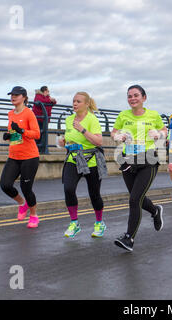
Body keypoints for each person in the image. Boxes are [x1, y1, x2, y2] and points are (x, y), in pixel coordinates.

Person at [111, 85, 167, 252]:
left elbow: (164, 130)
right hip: (127, 160)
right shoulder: (123, 115)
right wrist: (117, 136)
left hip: (148, 160)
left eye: (136, 95)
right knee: (137, 198)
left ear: (144, 97)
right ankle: (155, 211)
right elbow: (113, 132)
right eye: (129, 96)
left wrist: (159, 135)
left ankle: (129, 238)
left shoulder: (153, 115)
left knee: (134, 199)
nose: (132, 98)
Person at [57, 92, 108, 238]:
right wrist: (63, 142)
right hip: (74, 158)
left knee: (94, 194)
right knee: (68, 188)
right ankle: (74, 223)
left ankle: (99, 223)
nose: (74, 103)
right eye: (73, 101)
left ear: (86, 104)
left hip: (91, 160)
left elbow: (99, 142)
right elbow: (69, 139)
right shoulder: (68, 120)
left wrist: (82, 129)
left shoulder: (92, 120)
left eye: (78, 101)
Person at [0, 86, 41, 228]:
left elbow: (36, 134)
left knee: (26, 188)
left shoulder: (29, 113)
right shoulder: (10, 113)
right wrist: (8, 136)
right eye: (11, 94)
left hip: (29, 157)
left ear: (24, 97)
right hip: (14, 156)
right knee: (5, 185)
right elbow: (14, 134)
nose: (13, 97)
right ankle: (22, 203)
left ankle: (34, 215)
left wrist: (22, 130)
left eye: (16, 95)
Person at [32, 86, 57, 152]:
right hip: (38, 118)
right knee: (38, 134)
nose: (48, 92)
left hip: (45, 119)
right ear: (44, 91)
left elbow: (54, 102)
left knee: (43, 134)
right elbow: (41, 101)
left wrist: (53, 101)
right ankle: (35, 149)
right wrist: (50, 100)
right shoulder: (38, 96)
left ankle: (41, 149)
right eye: (47, 91)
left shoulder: (47, 97)